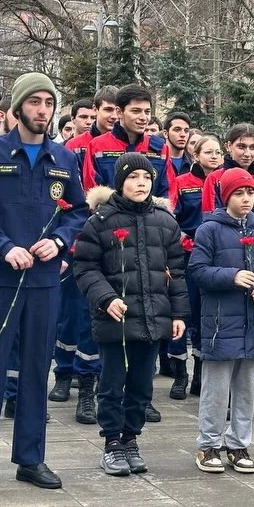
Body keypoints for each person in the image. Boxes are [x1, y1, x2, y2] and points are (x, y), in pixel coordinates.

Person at [0, 72, 87, 494]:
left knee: (36, 367)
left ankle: (30, 458)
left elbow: (78, 211)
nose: (43, 110)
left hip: (45, 281)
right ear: (17, 108)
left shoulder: (64, 159)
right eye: (35, 102)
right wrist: (2, 247)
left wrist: (59, 240)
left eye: (49, 103)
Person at [74, 153, 188, 476]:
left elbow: (176, 272)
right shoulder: (100, 220)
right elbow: (85, 267)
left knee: (142, 384)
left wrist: (178, 314)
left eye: (147, 178)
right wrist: (105, 298)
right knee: (111, 383)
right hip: (116, 321)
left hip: (153, 319)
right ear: (120, 182)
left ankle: (131, 439)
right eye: (133, 178)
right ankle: (111, 442)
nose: (141, 184)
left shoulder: (165, 222)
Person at [189, 168, 254, 474]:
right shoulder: (209, 230)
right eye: (239, 193)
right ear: (226, 196)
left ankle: (238, 444)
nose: (246, 199)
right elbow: (197, 270)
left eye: (250, 193)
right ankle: (208, 445)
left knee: (245, 389)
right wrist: (231, 276)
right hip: (219, 324)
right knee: (215, 389)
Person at [49, 86, 118, 417]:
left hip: (113, 246)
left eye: (118, 110)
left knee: (100, 316)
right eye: (107, 110)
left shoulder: (132, 148)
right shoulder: (74, 148)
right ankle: (63, 373)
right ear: (95, 109)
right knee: (71, 314)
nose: (112, 117)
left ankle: (89, 381)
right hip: (77, 242)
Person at [171, 134, 223, 398]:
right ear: (196, 155)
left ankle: (200, 374)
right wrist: (186, 240)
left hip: (213, 259)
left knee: (206, 315)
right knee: (183, 312)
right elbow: (171, 218)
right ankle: (179, 373)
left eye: (218, 152)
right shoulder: (181, 183)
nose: (214, 156)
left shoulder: (225, 182)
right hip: (186, 255)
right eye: (209, 152)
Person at [82, 85, 175, 204]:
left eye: (147, 112)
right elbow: (92, 190)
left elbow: (169, 192)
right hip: (111, 219)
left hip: (152, 220)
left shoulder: (160, 148)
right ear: (119, 112)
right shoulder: (97, 146)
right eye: (136, 111)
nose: (143, 118)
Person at [201, 123, 254, 228]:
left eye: (252, 147)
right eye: (241, 147)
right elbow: (210, 218)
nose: (247, 153)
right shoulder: (215, 179)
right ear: (228, 146)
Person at [163, 112, 193, 176]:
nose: (183, 135)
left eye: (186, 131)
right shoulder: (156, 161)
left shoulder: (193, 165)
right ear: (165, 133)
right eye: (177, 130)